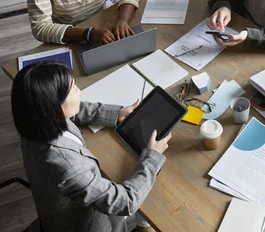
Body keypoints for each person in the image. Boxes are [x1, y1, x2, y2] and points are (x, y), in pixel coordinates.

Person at [11, 61, 171, 232]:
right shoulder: (67, 168)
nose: (79, 91)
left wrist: (116, 114)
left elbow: (72, 112)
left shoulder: (33, 119)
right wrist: (152, 157)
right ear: (55, 107)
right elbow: (126, 202)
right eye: (73, 89)